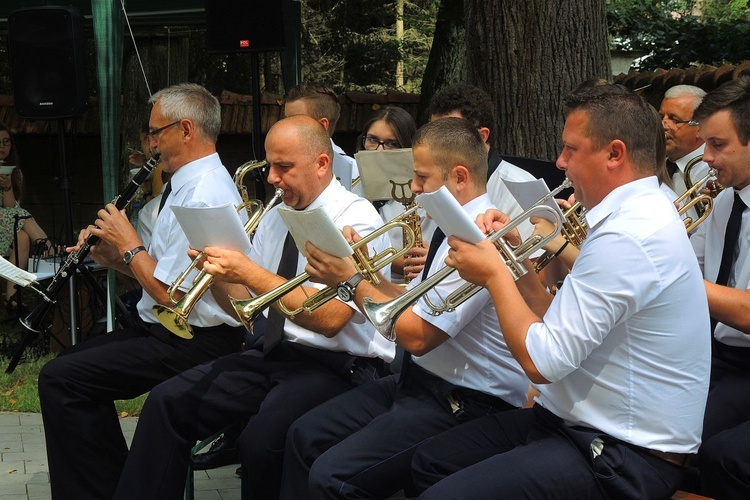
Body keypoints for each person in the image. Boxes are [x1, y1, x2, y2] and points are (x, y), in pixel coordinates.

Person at [411, 84, 710, 499]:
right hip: (579, 427)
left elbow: (541, 364)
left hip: (622, 455)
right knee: (431, 461)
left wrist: (495, 274)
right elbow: (554, 324)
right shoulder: (632, 215)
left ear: (614, 154)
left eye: (571, 149)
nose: (560, 162)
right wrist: (514, 261)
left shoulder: (630, 233)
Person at [111, 115, 394, 500]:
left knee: (261, 441)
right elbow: (246, 308)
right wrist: (219, 271)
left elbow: (329, 319)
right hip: (273, 352)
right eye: (269, 166)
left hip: (336, 366)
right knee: (167, 403)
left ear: (322, 164)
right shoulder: (279, 215)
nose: (273, 178)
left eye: (284, 167)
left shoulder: (356, 217)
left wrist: (246, 270)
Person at [282, 117, 530, 499]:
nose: (412, 188)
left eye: (422, 178)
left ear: (459, 178)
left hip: (467, 400)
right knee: (303, 435)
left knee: (333, 477)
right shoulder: (442, 224)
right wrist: (362, 266)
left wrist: (351, 280)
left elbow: (416, 336)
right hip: (419, 382)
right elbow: (407, 304)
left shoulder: (480, 236)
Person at [37, 83, 247, 500]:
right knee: (67, 371)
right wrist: (113, 257)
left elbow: (173, 296)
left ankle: (110, 490)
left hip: (196, 340)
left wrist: (130, 245)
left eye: (157, 132)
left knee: (63, 380)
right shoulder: (185, 184)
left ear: (186, 129)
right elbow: (162, 275)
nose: (151, 143)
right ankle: (116, 487)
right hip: (167, 330)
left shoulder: (204, 191)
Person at [688, 76, 750, 499]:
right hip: (714, 353)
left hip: (744, 361)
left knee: (697, 445)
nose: (705, 158)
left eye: (718, 144)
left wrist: (663, 279)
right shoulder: (723, 201)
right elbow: (692, 268)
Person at [0, 124, 52, 312]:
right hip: (5, 226)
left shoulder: (15, 173)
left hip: (7, 229)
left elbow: (9, 207)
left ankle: (12, 297)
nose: (2, 146)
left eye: (6, 142)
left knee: (22, 237)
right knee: (25, 218)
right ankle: (51, 253)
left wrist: (7, 186)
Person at [283, 82, 362, 195]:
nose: (284, 127)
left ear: (323, 126)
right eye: (285, 120)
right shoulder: (281, 163)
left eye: (295, 121)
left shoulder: (354, 172)